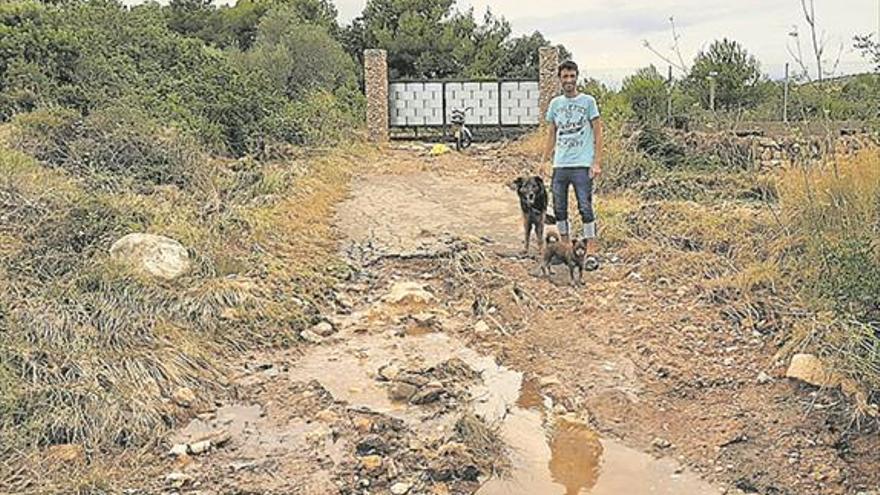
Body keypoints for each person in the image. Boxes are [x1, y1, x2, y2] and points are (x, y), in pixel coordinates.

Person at [541, 59, 603, 270]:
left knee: (585, 207)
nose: (569, 80)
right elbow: (552, 133)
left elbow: (597, 132)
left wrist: (596, 161)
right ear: (560, 79)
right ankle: (566, 247)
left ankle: (590, 250)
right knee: (559, 208)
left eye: (572, 76)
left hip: (582, 163)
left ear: (577, 77)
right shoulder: (555, 104)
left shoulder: (588, 102)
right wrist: (545, 160)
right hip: (561, 164)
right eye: (565, 76)